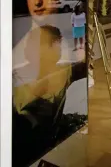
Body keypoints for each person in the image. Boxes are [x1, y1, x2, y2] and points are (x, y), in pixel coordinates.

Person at [12, 25, 87, 167]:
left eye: (57, 42)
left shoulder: (64, 72)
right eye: (54, 43)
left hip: (47, 147)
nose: (59, 47)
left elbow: (84, 64)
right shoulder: (14, 80)